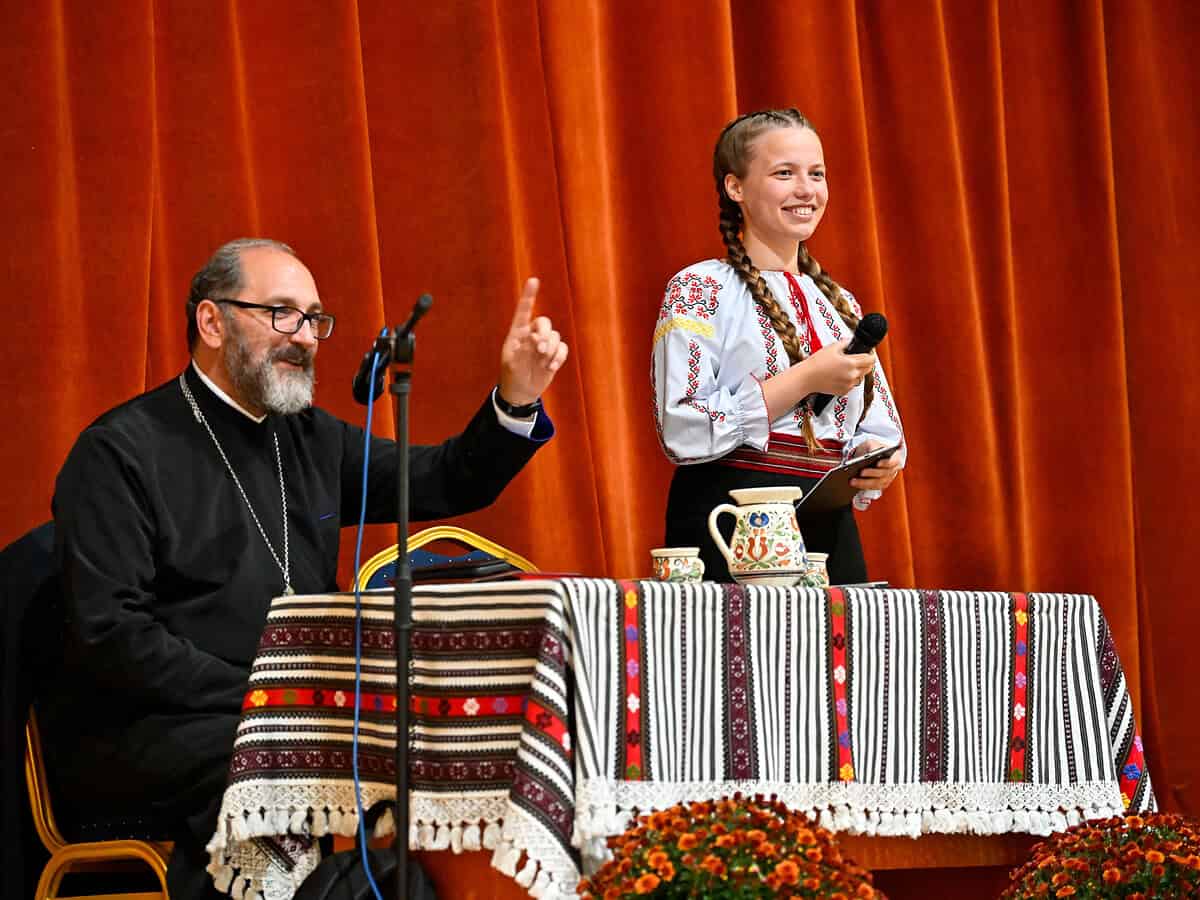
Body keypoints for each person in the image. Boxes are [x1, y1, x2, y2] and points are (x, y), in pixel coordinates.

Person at [40, 238, 567, 898]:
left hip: (287, 715)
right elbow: (111, 637)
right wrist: (269, 702)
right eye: (282, 313)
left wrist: (514, 400)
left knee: (446, 744)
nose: (307, 337)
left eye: (315, 318)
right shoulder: (119, 451)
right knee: (272, 758)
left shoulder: (309, 437)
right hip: (150, 728)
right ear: (212, 322)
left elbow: (443, 480)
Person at [652, 108, 905, 584]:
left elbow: (878, 422)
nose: (806, 189)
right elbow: (681, 428)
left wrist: (876, 455)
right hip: (729, 519)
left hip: (827, 529)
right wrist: (804, 379)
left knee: (837, 658)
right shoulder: (701, 289)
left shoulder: (839, 302)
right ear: (736, 188)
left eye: (817, 174)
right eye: (784, 173)